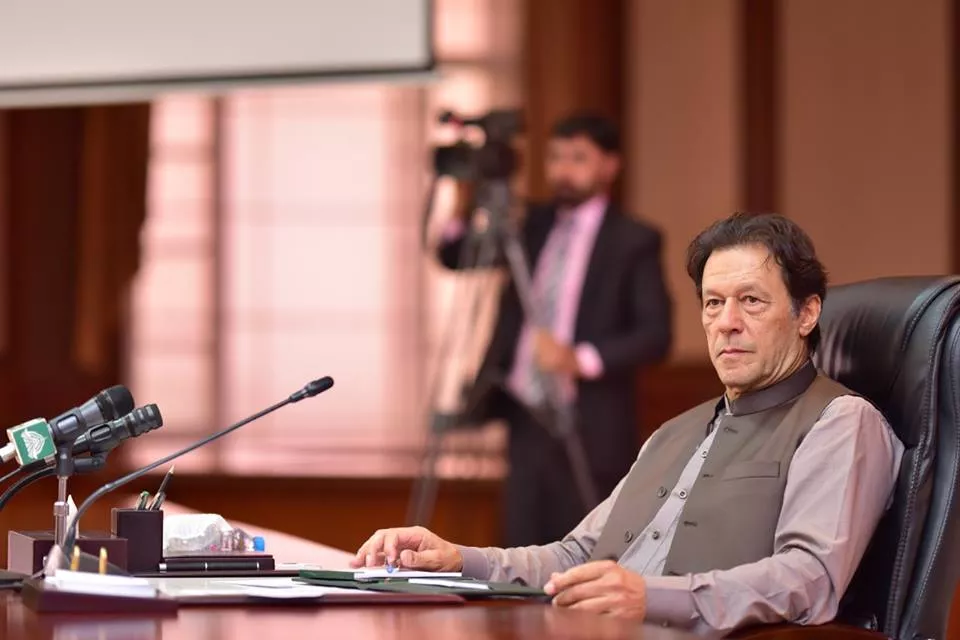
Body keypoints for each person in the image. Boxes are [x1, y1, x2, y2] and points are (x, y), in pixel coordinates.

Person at [355, 212, 905, 634]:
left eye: (751, 301)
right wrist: (458, 560)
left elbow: (808, 579)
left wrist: (650, 597)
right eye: (713, 303)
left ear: (807, 313)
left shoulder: (841, 421)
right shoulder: (673, 432)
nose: (727, 323)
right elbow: (575, 555)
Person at [436, 112, 673, 547]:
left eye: (578, 158)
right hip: (524, 413)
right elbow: (455, 255)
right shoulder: (529, 223)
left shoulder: (633, 239)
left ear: (609, 165)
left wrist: (580, 358)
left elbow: (656, 335)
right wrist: (463, 196)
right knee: (519, 546)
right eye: (555, 157)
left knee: (587, 548)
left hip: (590, 420)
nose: (564, 169)